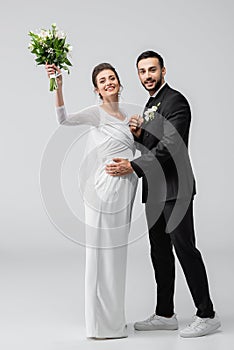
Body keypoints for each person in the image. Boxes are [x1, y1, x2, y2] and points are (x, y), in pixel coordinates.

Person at [105, 51, 221, 338]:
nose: (147, 76)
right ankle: (165, 313)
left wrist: (132, 166)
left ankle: (207, 314)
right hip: (154, 191)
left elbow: (171, 146)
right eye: (142, 71)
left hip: (176, 188)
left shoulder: (176, 101)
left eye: (152, 70)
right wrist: (137, 134)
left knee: (184, 249)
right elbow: (151, 144)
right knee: (159, 251)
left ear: (163, 71)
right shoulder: (150, 105)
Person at [45, 62, 138, 339]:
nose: (108, 82)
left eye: (112, 78)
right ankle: (98, 325)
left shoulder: (128, 118)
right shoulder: (95, 114)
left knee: (117, 256)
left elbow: (136, 150)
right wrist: (58, 85)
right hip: (103, 190)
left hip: (125, 191)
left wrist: (137, 139)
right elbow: (64, 118)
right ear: (96, 90)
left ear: (120, 83)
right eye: (102, 80)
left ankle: (114, 320)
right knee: (100, 254)